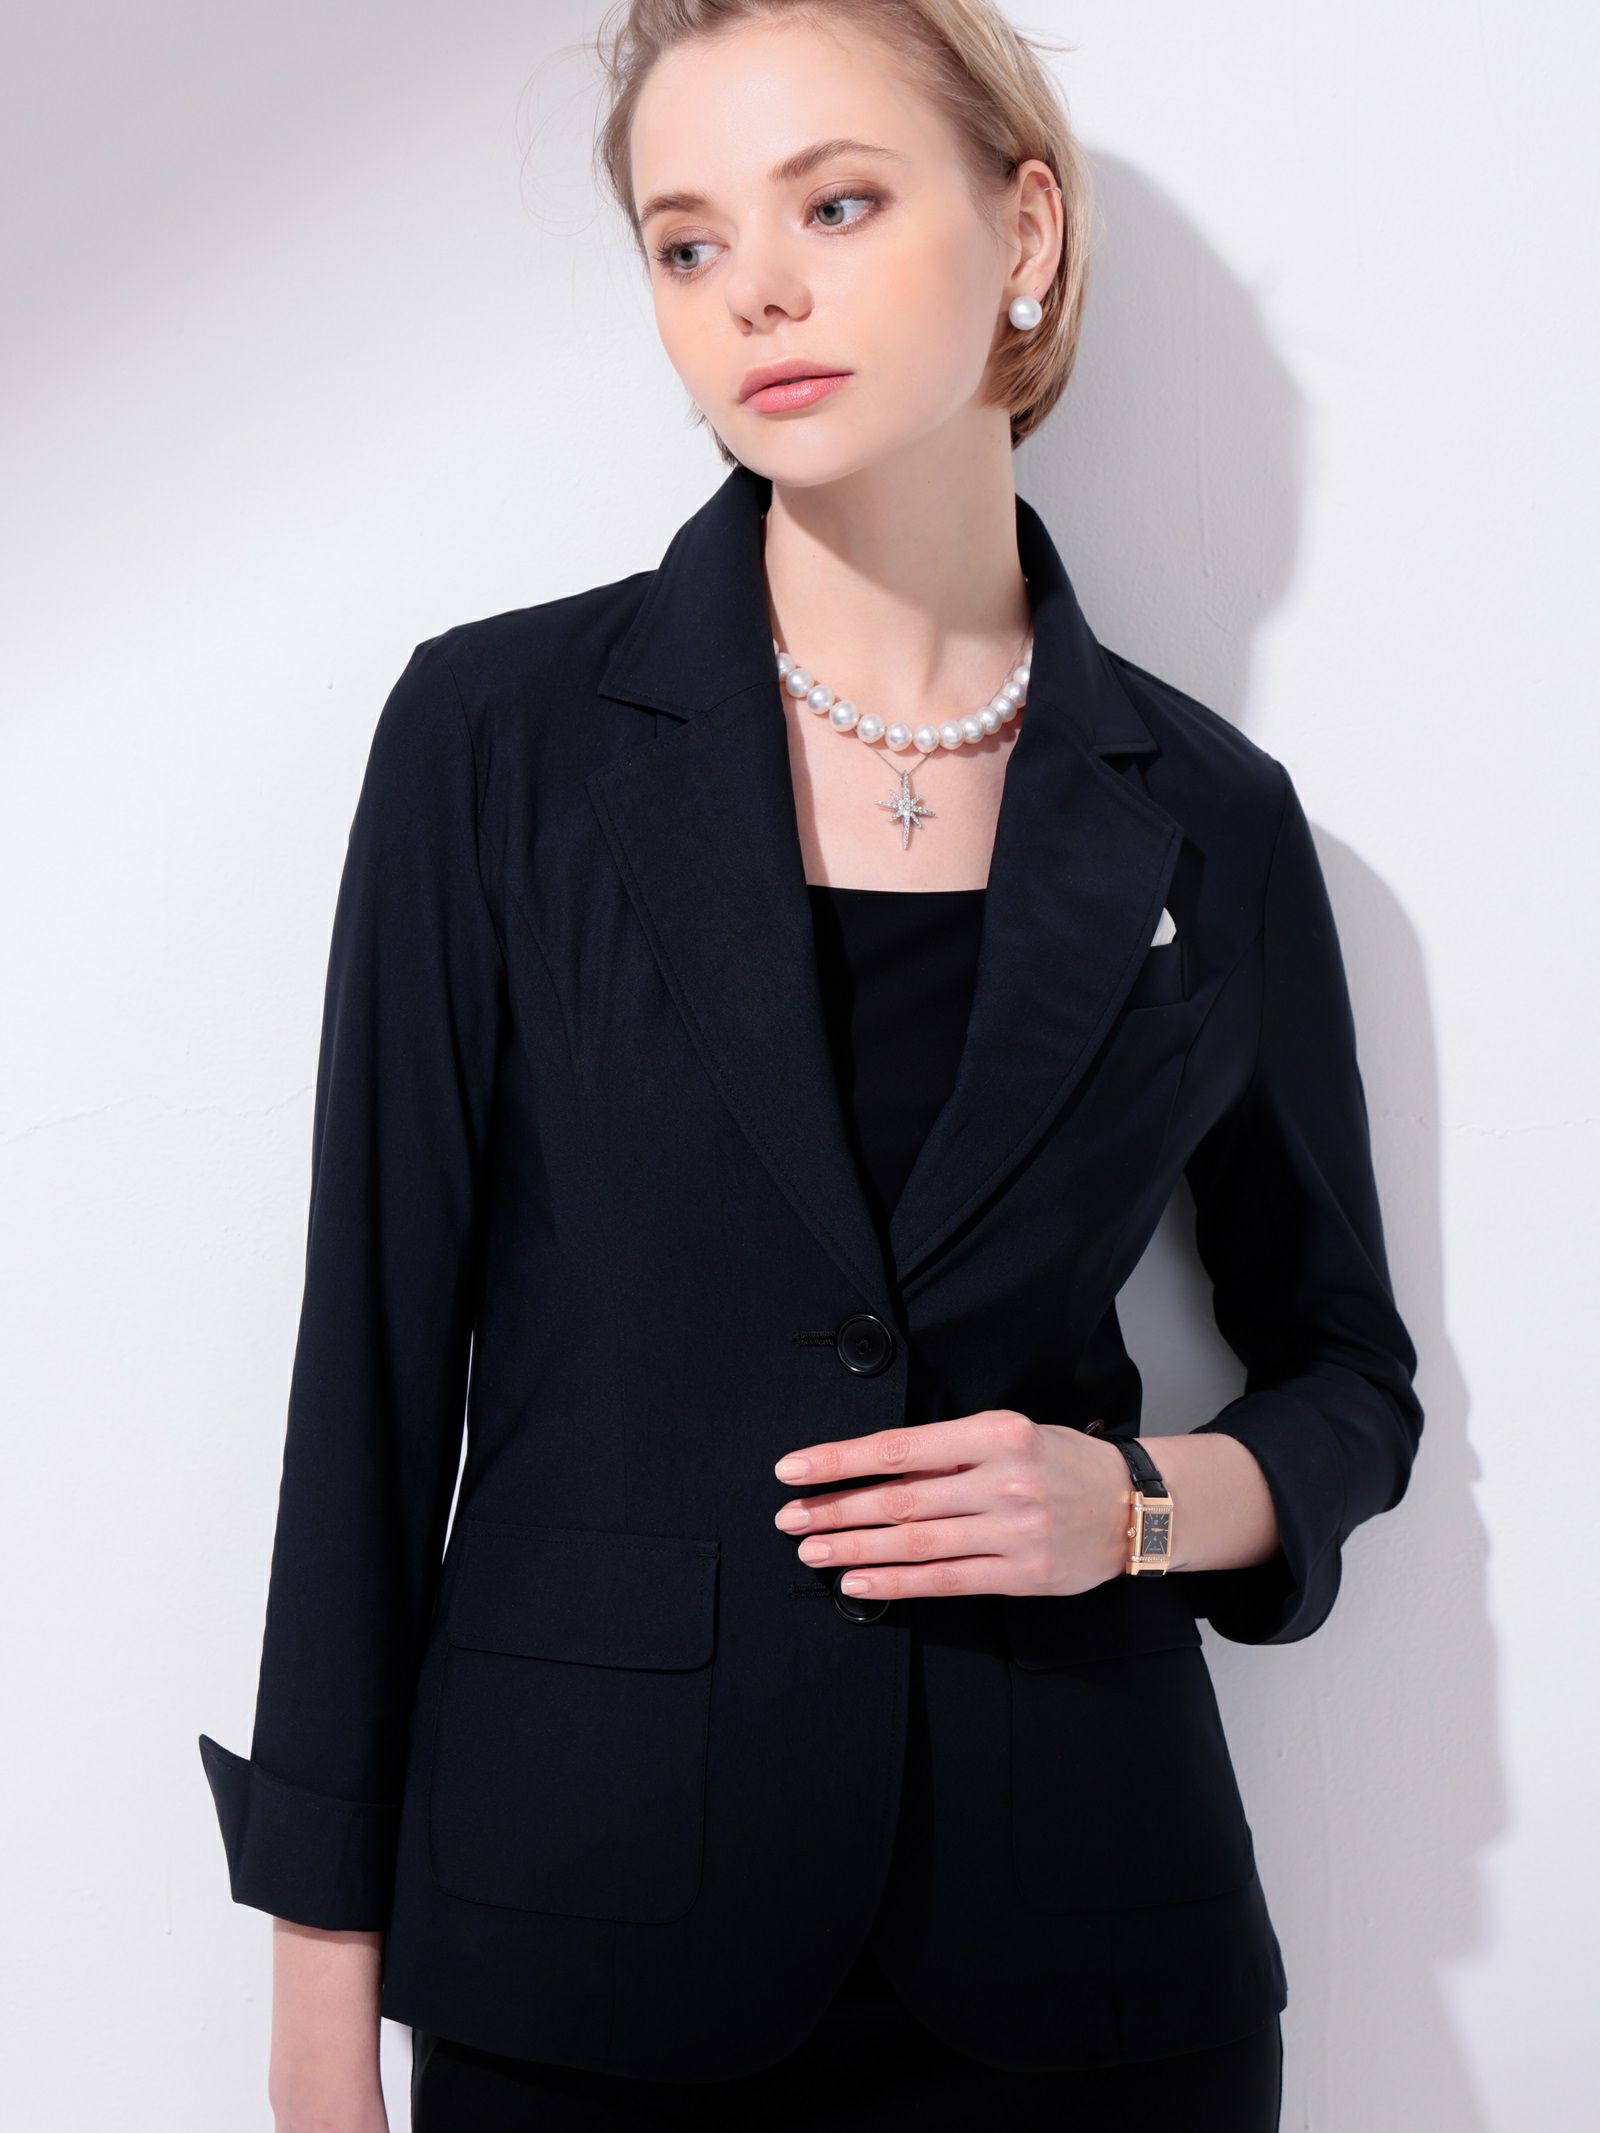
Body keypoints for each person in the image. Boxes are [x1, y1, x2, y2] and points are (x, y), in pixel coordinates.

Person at [198, 4, 1424, 2128]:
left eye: (834, 205)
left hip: (1091, 1961)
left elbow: (1345, 1374)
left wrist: (1134, 1506)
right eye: (686, 242)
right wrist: (321, 2018)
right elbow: (371, 1387)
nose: (752, 288)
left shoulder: (1209, 816)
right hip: (584, 1939)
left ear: (1023, 230)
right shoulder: (497, 743)